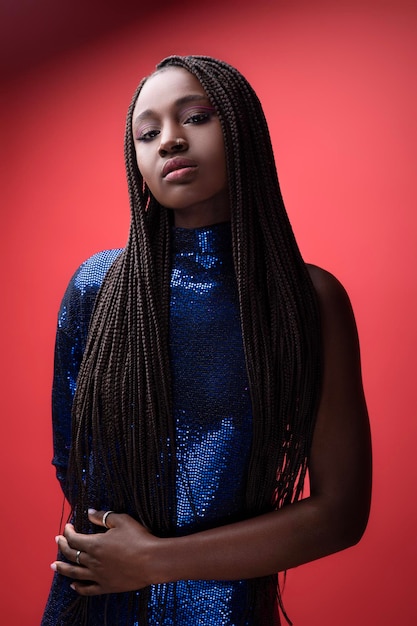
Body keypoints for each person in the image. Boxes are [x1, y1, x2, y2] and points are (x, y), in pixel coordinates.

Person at [41, 55, 372, 625]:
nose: (169, 141)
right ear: (136, 160)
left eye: (194, 118)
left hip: (225, 609)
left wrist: (155, 560)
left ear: (242, 130)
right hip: (97, 600)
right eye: (147, 133)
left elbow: (340, 513)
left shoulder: (305, 301)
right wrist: (124, 559)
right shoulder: (97, 288)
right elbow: (74, 466)